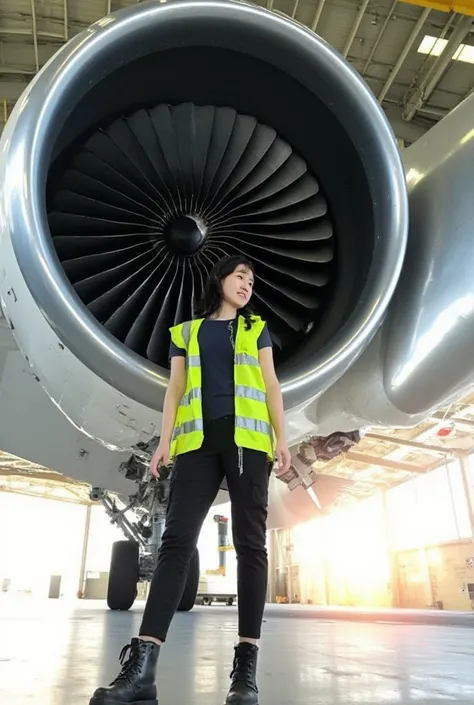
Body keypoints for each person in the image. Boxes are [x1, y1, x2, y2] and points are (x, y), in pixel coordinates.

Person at [90, 254, 291, 705]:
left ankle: (245, 672)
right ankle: (142, 669)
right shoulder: (184, 333)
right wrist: (164, 443)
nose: (247, 284)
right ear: (220, 279)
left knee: (250, 546)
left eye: (252, 280)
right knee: (176, 543)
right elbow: (175, 391)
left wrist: (283, 438)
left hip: (248, 444)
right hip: (197, 444)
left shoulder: (256, 329)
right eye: (240, 276)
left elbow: (271, 384)